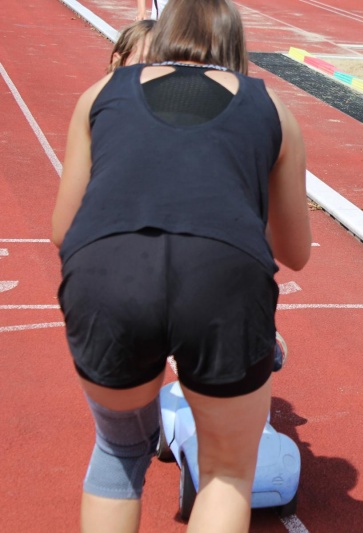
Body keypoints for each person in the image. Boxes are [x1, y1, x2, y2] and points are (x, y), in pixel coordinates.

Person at [52, 0, 312, 531]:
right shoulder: (271, 109)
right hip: (223, 277)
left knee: (119, 450)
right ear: (236, 45)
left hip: (107, 272)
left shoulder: (100, 94)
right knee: (226, 473)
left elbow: (63, 229)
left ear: (162, 34)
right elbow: (295, 252)